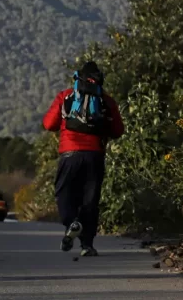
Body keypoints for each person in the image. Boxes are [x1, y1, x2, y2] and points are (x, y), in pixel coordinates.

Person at [42, 61, 124, 257]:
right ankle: (87, 245)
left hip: (69, 154)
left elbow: (48, 124)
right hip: (95, 155)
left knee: (64, 195)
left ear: (78, 77)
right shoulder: (106, 100)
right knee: (90, 201)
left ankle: (72, 223)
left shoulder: (66, 96)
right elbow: (118, 131)